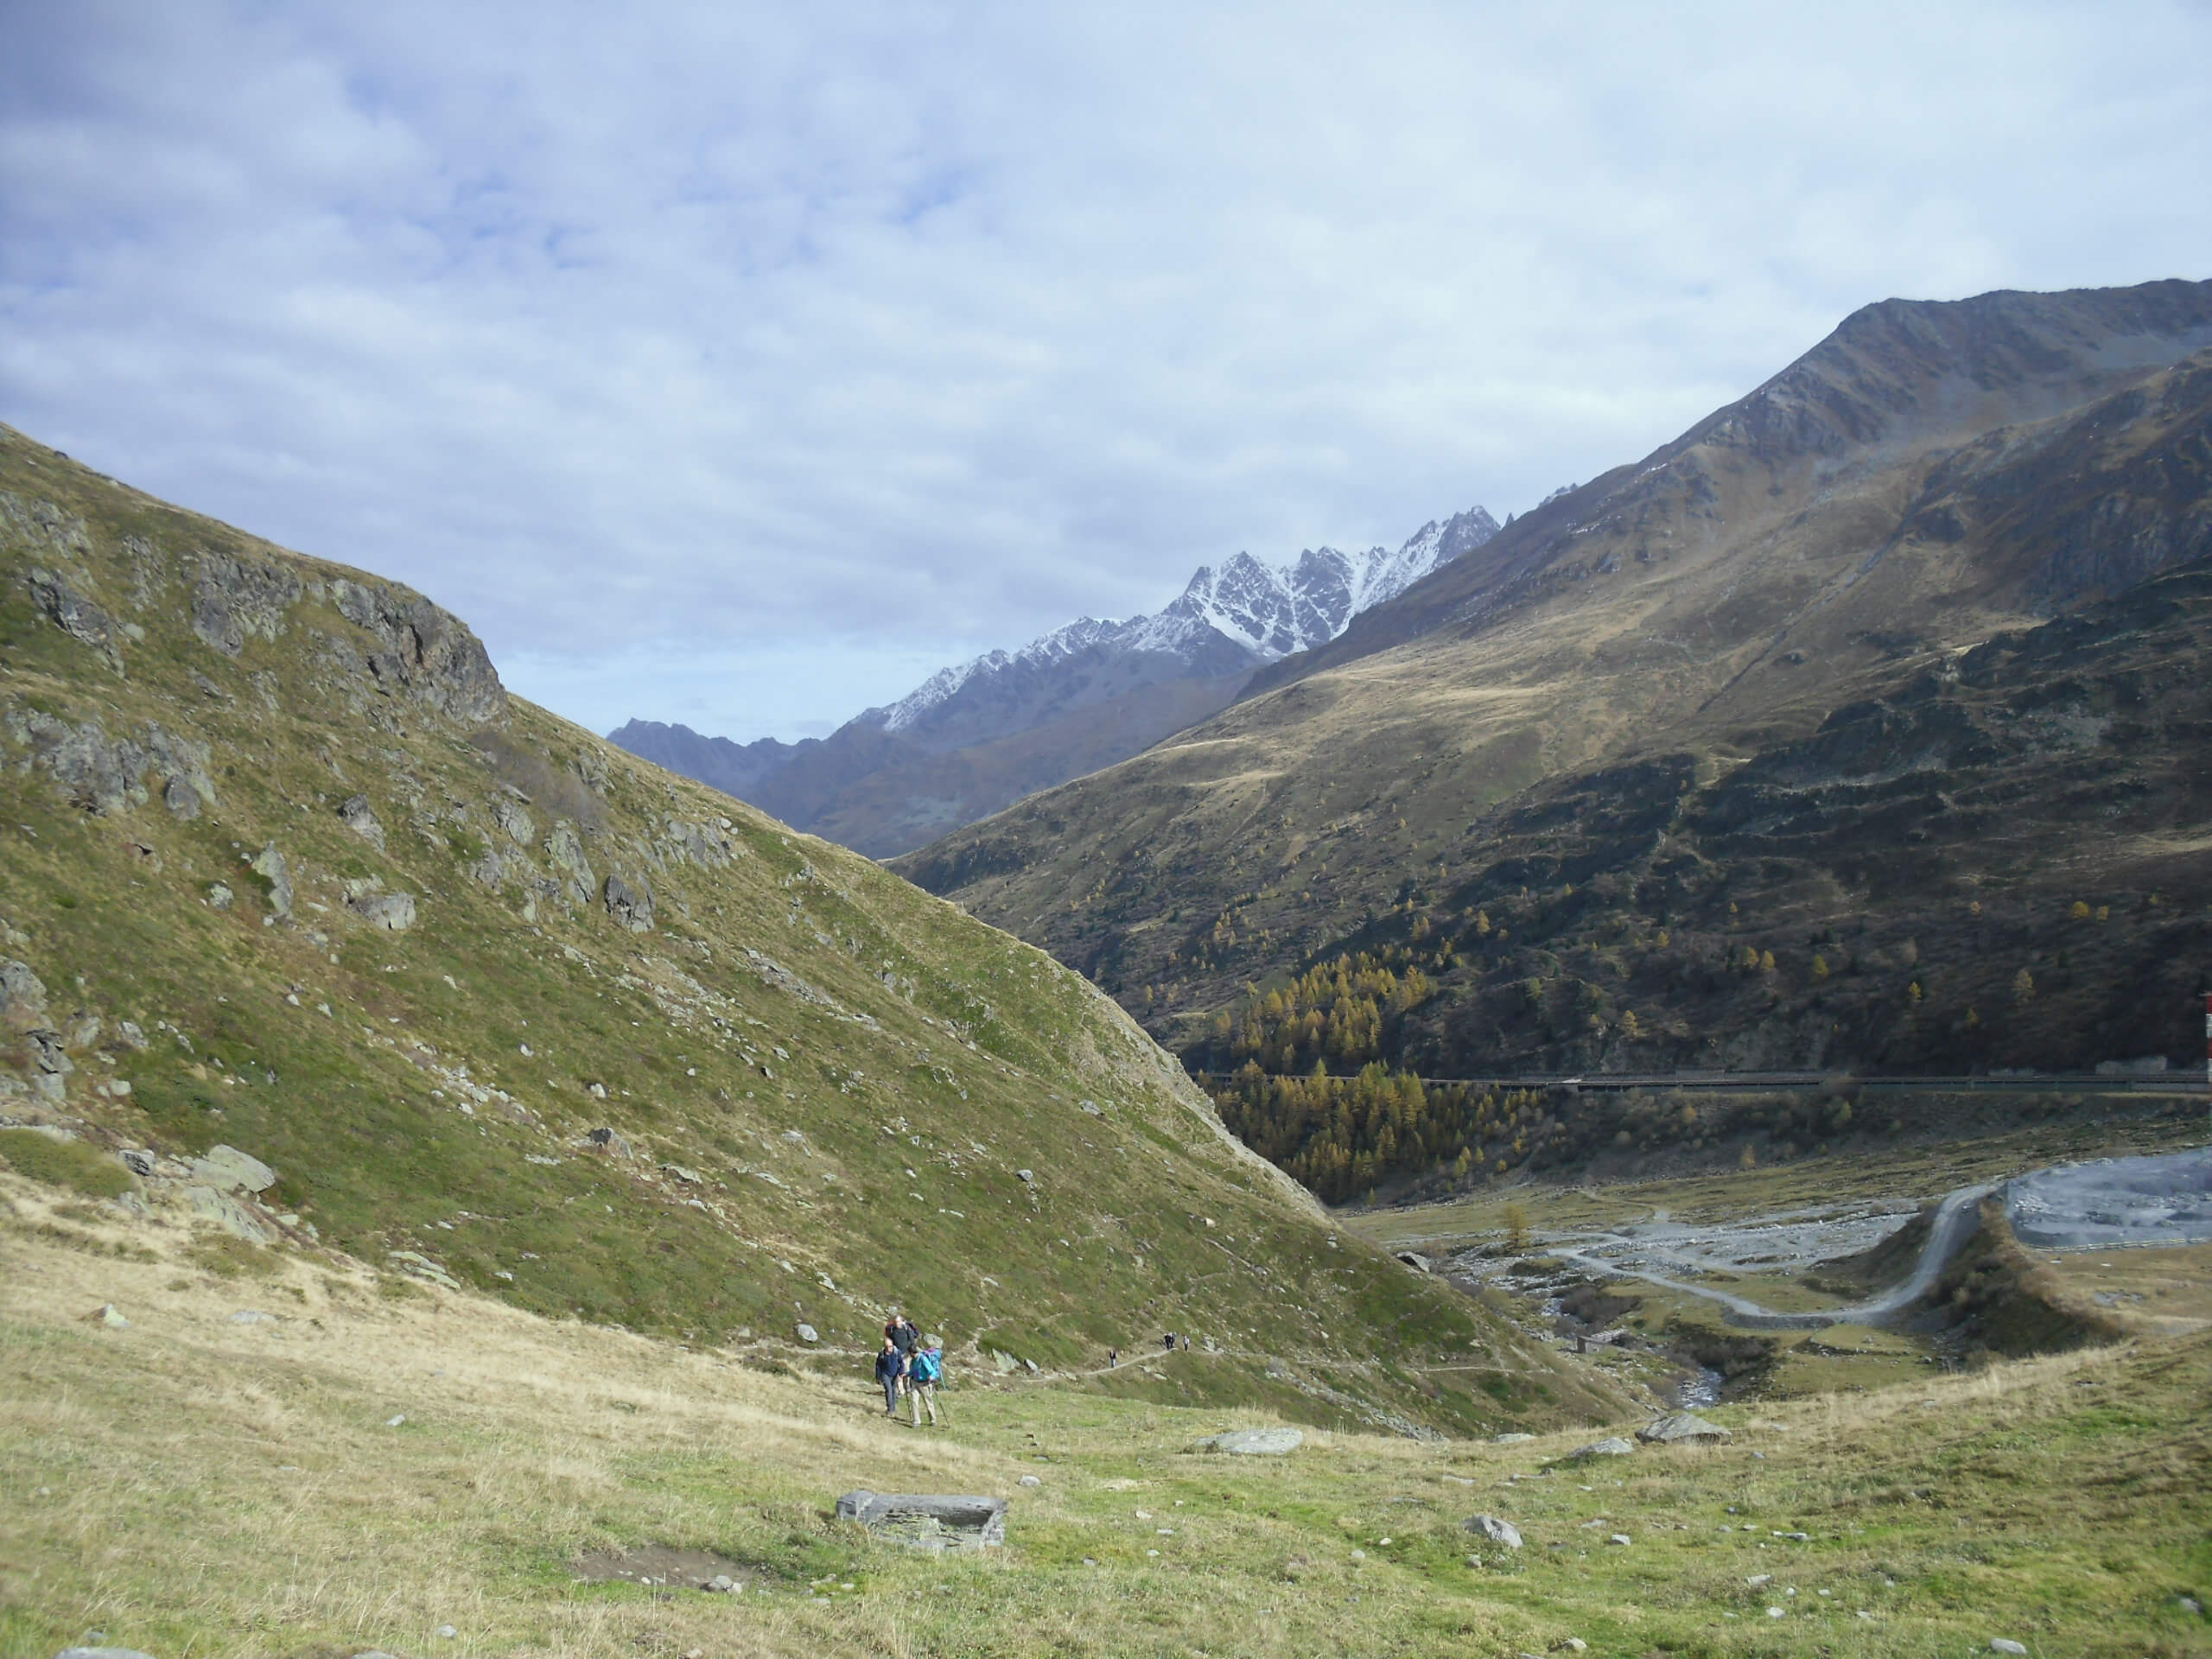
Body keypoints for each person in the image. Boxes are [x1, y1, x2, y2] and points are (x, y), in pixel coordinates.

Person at [907, 1334, 944, 1427]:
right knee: (914, 1401)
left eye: (915, 1353)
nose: (914, 1355)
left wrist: (932, 1376)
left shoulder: (923, 1359)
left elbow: (932, 1371)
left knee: (928, 1402)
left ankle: (933, 1420)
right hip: (915, 1382)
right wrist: (906, 1374)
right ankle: (916, 1421)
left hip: (924, 1383)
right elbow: (914, 1370)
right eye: (913, 1353)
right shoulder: (914, 1360)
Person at [874, 1338, 903, 1416]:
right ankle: (890, 1409)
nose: (889, 1348)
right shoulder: (882, 1354)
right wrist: (878, 1376)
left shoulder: (897, 1352)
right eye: (887, 1346)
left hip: (895, 1374)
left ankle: (893, 1408)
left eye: (890, 1346)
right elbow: (878, 1365)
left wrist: (901, 1373)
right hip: (885, 1374)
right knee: (888, 1390)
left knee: (893, 1391)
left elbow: (901, 1363)